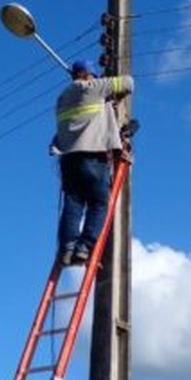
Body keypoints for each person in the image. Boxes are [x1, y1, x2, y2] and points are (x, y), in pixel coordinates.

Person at [52, 59, 133, 266]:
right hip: (93, 157)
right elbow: (128, 83)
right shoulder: (92, 87)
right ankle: (85, 247)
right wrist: (109, 91)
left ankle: (68, 248)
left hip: (68, 160)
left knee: (74, 203)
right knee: (98, 204)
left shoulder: (62, 98)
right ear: (89, 75)